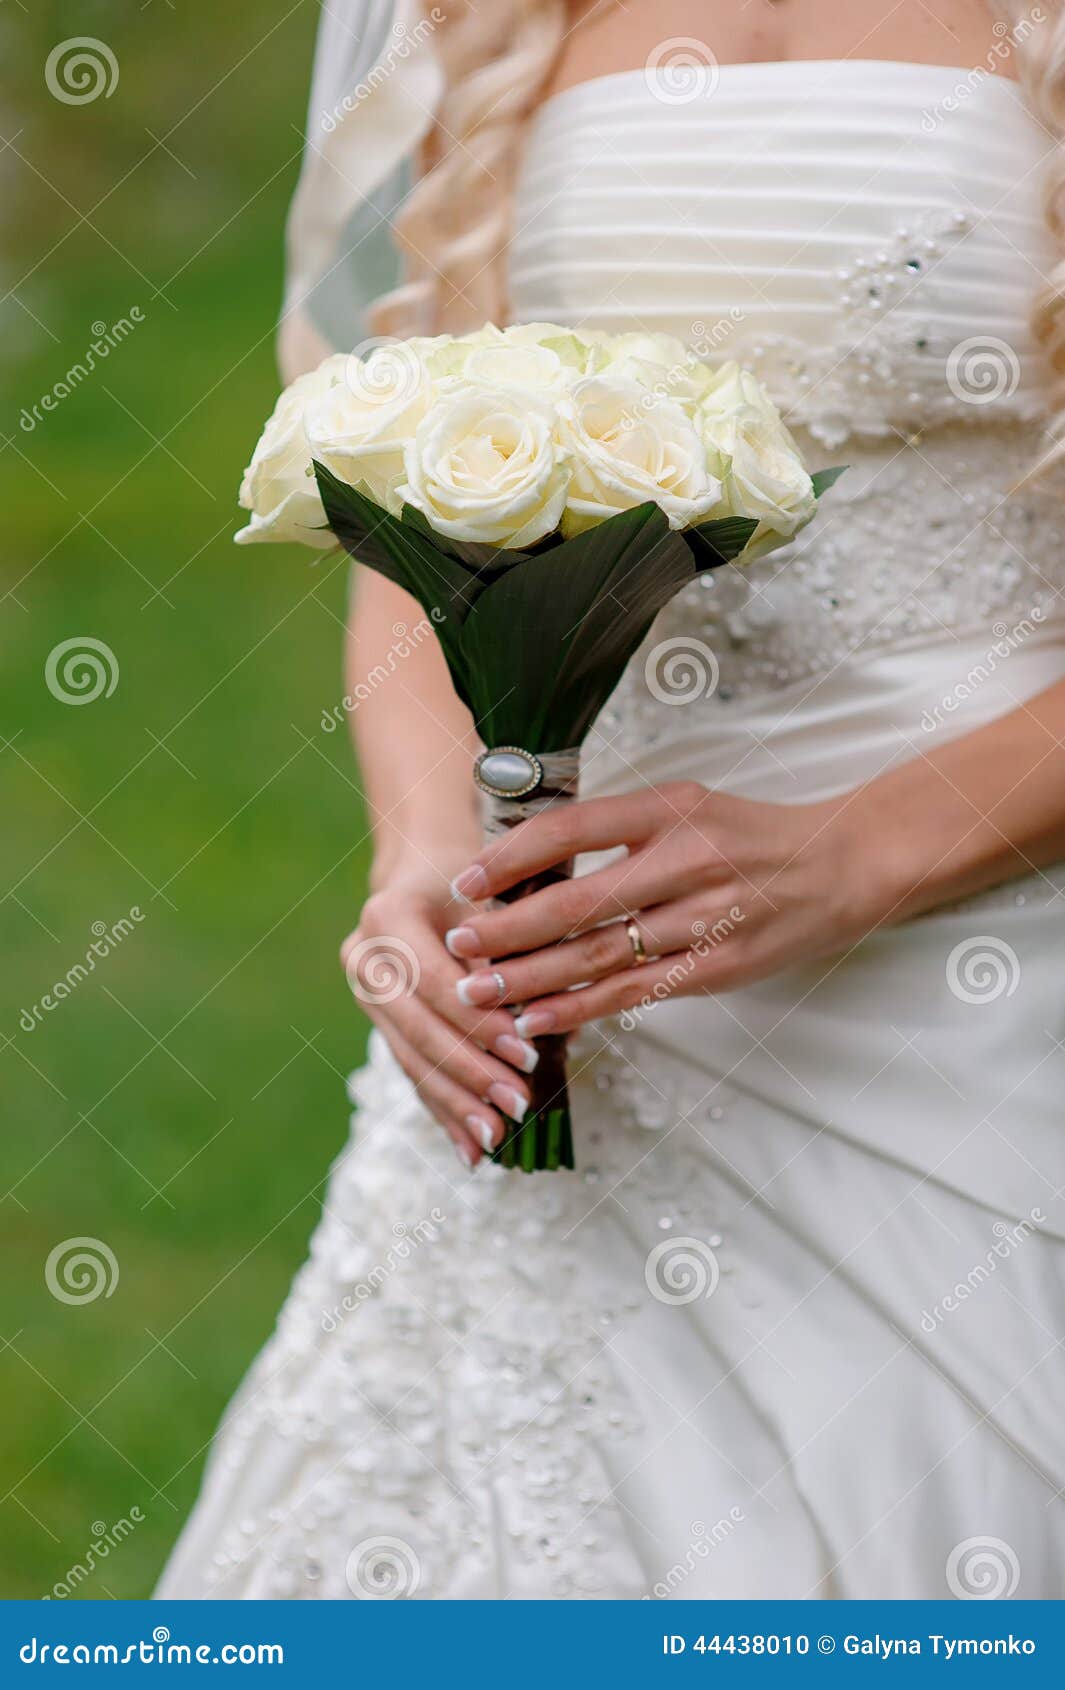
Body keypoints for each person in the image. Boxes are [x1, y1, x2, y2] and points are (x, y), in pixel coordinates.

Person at [158, 0, 1065, 1599]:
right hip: (571, 993)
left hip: (979, 991)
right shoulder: (504, 18)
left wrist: (854, 850)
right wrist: (431, 861)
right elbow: (415, 482)